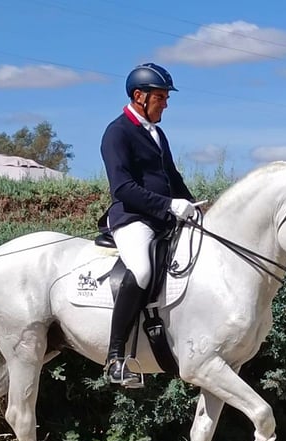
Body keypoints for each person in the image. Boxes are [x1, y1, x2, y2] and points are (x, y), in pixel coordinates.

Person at [99, 62, 197, 387]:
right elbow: (122, 188)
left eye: (166, 97)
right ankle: (115, 358)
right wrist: (169, 205)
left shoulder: (157, 133)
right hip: (132, 218)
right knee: (141, 270)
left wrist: (194, 207)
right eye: (161, 97)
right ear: (139, 96)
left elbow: (173, 178)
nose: (166, 103)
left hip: (162, 218)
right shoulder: (117, 132)